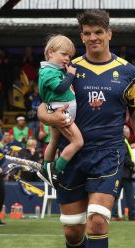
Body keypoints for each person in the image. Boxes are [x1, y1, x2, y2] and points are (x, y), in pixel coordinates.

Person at [37, 9, 135, 248]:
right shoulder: (69, 67)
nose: (93, 38)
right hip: (73, 154)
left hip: (108, 154)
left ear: (109, 34)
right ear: (81, 37)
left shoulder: (129, 72)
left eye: (98, 32)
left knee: (97, 223)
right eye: (87, 33)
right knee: (72, 231)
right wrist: (47, 116)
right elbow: (43, 104)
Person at [38, 34, 84, 186]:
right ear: (51, 52)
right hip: (60, 111)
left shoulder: (55, 69)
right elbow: (60, 87)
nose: (67, 59)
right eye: (63, 54)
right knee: (77, 141)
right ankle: (56, 171)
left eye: (69, 56)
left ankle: (45, 169)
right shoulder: (48, 71)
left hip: (60, 109)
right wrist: (70, 74)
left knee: (55, 140)